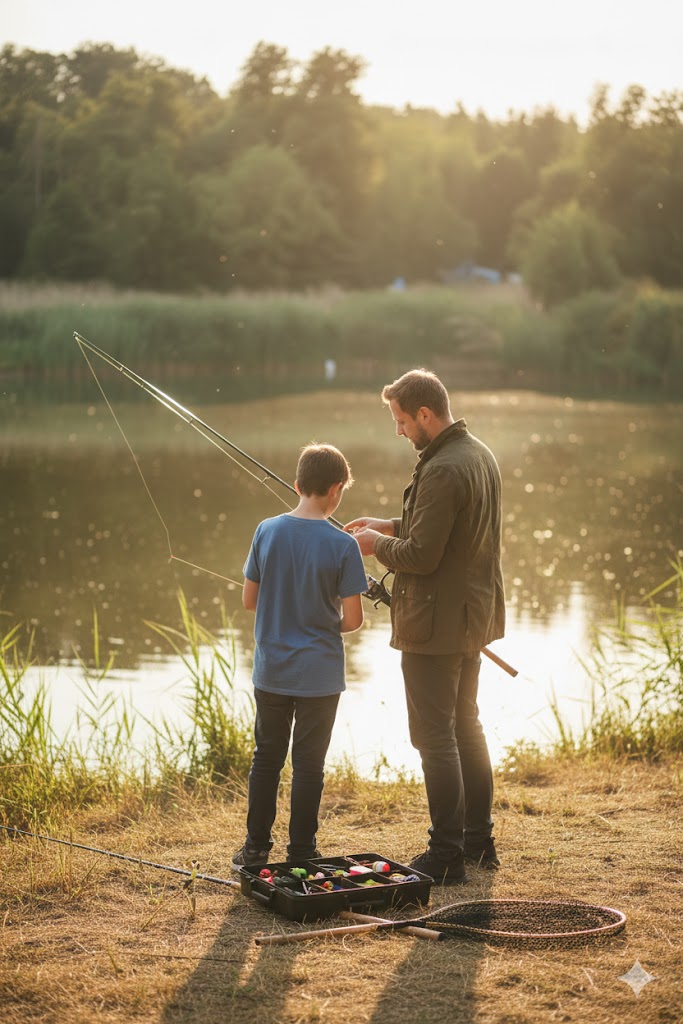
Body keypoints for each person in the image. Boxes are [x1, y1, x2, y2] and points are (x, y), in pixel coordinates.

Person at [344, 369, 505, 883]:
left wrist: (373, 546)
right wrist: (385, 524)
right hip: (470, 619)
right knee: (466, 726)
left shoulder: (441, 469)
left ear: (425, 415)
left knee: (435, 737)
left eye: (400, 421)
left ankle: (446, 854)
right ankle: (479, 843)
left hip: (436, 625)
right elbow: (442, 527)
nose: (398, 431)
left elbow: (423, 554)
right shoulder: (478, 454)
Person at [232, 443, 368, 868]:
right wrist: (322, 617)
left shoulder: (266, 530)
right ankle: (302, 852)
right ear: (336, 490)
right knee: (309, 765)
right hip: (320, 676)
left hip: (271, 670)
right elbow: (353, 621)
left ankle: (255, 849)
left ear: (296, 485)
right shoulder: (344, 546)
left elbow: (249, 601)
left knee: (267, 758)